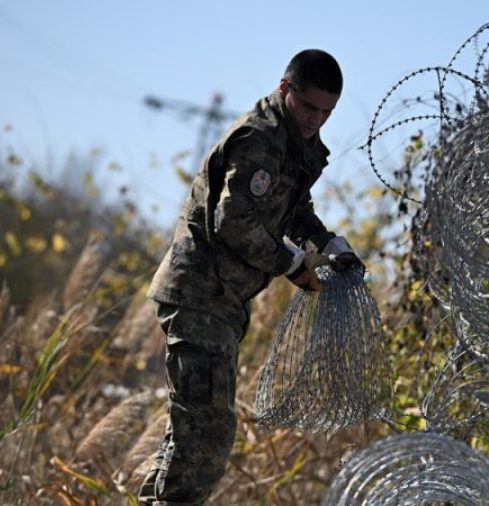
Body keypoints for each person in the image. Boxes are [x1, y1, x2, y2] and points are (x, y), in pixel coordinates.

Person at [138, 49, 363, 505]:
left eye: (326, 112)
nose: (316, 120)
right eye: (309, 107)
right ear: (285, 90)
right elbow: (234, 219)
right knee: (207, 436)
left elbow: (291, 209)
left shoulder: (293, 142)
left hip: (219, 303)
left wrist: (329, 245)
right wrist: (292, 265)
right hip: (199, 295)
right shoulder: (261, 140)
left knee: (190, 432)